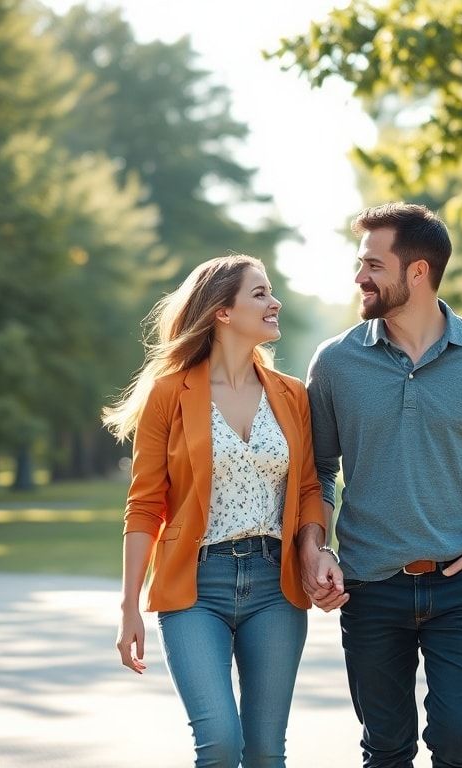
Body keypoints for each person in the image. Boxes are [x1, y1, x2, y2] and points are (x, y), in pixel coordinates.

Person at [305, 203, 462, 767]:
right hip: (370, 588)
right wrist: (314, 549)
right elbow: (318, 471)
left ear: (417, 272)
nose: (359, 277)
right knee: (386, 750)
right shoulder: (336, 363)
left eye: (372, 264)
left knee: (459, 742)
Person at [104, 254, 342, 768]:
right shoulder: (170, 394)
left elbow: (305, 488)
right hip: (195, 585)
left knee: (263, 752)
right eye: (260, 293)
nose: (274, 302)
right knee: (219, 744)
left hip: (274, 586)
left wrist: (316, 547)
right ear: (222, 312)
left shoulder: (291, 395)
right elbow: (144, 505)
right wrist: (128, 607)